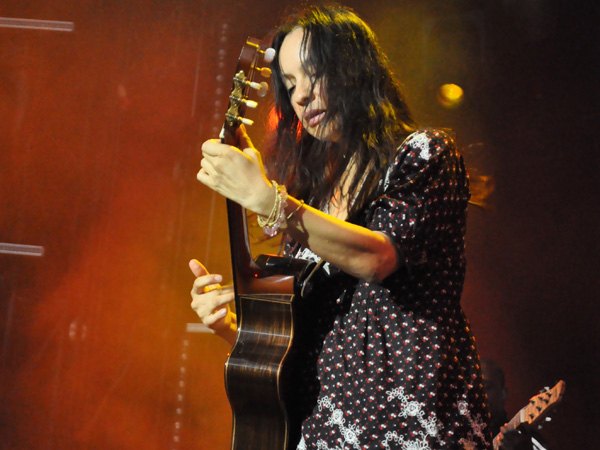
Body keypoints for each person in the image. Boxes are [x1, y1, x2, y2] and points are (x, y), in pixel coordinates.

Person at [190, 5, 492, 449]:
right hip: (326, 435)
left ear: (353, 69)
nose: (300, 96)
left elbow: (376, 257)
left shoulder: (424, 155)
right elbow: (306, 347)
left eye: (311, 73)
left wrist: (269, 201)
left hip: (414, 430)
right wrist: (233, 328)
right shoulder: (309, 205)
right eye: (290, 84)